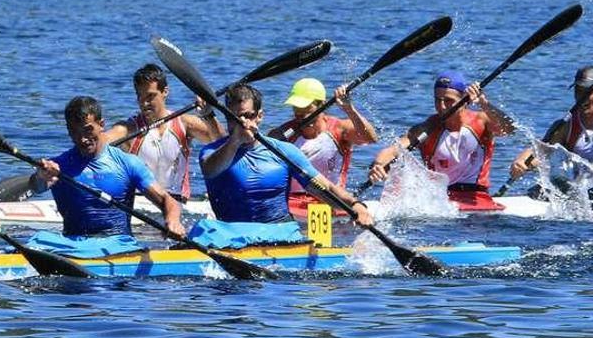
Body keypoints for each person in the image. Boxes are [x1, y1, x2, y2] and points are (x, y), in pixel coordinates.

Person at [200, 84, 373, 226]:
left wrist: (355, 205)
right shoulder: (210, 152)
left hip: (279, 235)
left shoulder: (285, 151)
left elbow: (326, 189)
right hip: (229, 234)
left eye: (248, 115)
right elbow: (211, 170)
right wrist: (235, 140)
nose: (242, 122)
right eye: (233, 118)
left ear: (259, 116)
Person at [34, 96, 185, 238]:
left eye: (88, 130)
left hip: (118, 244)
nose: (83, 139)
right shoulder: (57, 166)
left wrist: (172, 220)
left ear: (101, 125)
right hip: (72, 243)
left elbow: (167, 200)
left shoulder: (128, 163)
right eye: (75, 132)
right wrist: (40, 177)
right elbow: (36, 187)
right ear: (68, 131)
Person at [368, 71, 516, 210]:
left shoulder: (483, 121)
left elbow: (510, 129)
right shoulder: (427, 128)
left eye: (449, 100)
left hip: (476, 199)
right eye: (437, 100)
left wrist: (484, 103)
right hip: (438, 201)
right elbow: (393, 150)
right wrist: (378, 165)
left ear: (465, 100)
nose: (442, 106)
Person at [107, 64, 224, 204]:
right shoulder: (128, 129)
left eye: (150, 96)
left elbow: (222, 142)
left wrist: (208, 114)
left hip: (176, 202)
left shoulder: (185, 124)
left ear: (165, 92)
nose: (144, 103)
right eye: (140, 96)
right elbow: (99, 143)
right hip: (140, 204)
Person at [268, 78, 378, 215]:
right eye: (296, 107)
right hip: (291, 204)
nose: (300, 112)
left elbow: (370, 138)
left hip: (330, 201)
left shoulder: (340, 129)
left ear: (322, 105)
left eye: (306, 107)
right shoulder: (281, 134)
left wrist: (349, 109)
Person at [510, 67, 593, 185]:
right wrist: (521, 161)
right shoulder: (566, 126)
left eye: (586, 92)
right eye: (578, 91)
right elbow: (542, 153)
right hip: (579, 191)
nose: (581, 97)